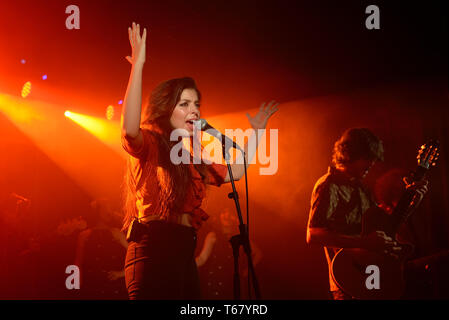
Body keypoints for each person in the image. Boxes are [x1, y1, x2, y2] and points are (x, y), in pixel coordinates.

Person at [121, 22, 278, 299]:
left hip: (184, 252)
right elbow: (129, 130)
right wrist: (138, 66)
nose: (194, 111)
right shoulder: (152, 142)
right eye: (184, 104)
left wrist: (257, 132)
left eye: (196, 105)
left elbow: (237, 170)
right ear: (164, 109)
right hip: (153, 249)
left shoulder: (193, 155)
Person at [306, 128, 429, 300]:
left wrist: (412, 204)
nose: (371, 164)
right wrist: (365, 242)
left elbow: (384, 229)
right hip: (348, 278)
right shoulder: (329, 185)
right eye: (367, 158)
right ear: (349, 154)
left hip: (374, 274)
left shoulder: (362, 188)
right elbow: (313, 235)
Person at [74, 198, 128, 299]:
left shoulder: (116, 233)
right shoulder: (84, 235)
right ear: (97, 212)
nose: (109, 213)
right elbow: (78, 262)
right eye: (106, 210)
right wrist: (76, 287)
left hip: (113, 289)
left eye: (110, 209)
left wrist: (121, 273)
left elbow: (134, 256)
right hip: (92, 287)